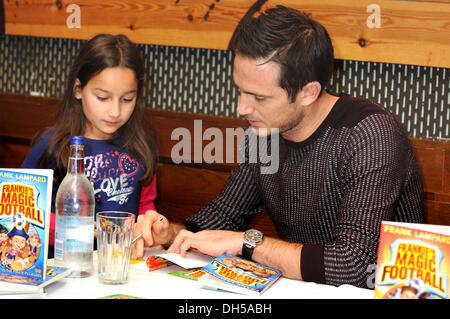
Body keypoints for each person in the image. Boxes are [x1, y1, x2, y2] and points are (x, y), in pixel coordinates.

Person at [132, 5, 424, 288]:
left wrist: (249, 244)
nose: (241, 107)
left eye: (259, 97)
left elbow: (355, 265)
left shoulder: (370, 134)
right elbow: (223, 216)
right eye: (240, 91)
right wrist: (170, 232)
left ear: (309, 92)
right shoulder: (265, 132)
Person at [21, 34, 158, 257]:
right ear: (78, 89)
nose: (115, 111)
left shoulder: (141, 144)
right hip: (62, 263)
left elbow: (145, 206)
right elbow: (22, 212)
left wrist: (148, 226)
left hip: (118, 264)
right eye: (103, 98)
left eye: (127, 99)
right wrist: (80, 230)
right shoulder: (52, 145)